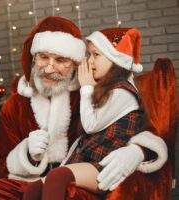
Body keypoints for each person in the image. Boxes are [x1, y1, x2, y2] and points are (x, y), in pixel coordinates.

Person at [0, 16, 167, 200]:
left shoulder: (91, 92)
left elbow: (141, 124)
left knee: (66, 190)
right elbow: (1, 169)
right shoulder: (15, 105)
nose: (50, 68)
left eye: (61, 60)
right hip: (30, 183)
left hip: (75, 184)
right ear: (34, 58)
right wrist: (26, 153)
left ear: (75, 64)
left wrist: (138, 150)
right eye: (44, 57)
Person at [22, 27, 160, 200]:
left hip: (104, 165)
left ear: (115, 59)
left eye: (96, 55)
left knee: (58, 177)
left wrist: (86, 87)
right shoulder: (104, 88)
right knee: (34, 188)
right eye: (89, 54)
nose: (90, 61)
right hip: (88, 160)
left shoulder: (123, 91)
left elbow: (91, 125)